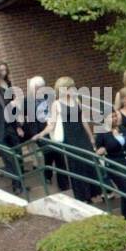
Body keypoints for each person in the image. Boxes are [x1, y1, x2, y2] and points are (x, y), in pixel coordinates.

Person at [36, 76, 97, 204]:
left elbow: (84, 120)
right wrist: (41, 134)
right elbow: (51, 124)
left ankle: (94, 192)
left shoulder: (77, 101)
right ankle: (82, 196)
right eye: (69, 87)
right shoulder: (56, 104)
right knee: (76, 165)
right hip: (70, 137)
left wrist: (91, 136)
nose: (72, 89)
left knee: (89, 162)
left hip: (81, 135)